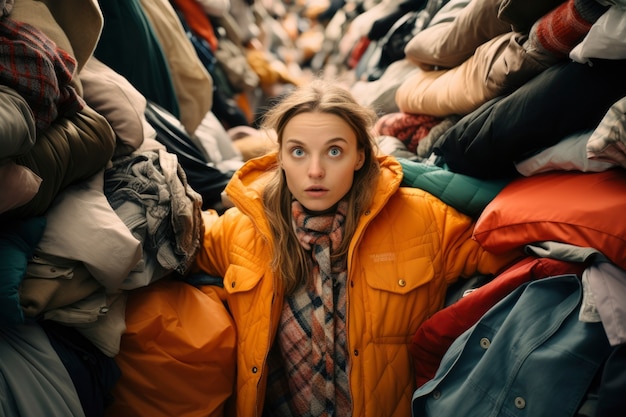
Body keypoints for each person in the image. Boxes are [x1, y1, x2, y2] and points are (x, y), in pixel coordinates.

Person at [193, 79, 519, 417]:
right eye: (298, 152)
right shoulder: (241, 230)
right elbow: (180, 248)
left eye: (334, 151)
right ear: (281, 159)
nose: (315, 171)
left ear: (360, 156)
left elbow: (514, 257)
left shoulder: (423, 220)